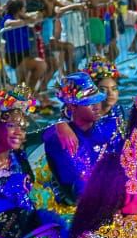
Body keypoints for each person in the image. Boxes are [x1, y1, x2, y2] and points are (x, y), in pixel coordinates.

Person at [42, 72, 121, 207]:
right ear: (72, 106)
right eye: (89, 103)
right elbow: (76, 186)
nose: (97, 106)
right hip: (77, 207)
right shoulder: (59, 139)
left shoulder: (106, 127)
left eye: (97, 100)